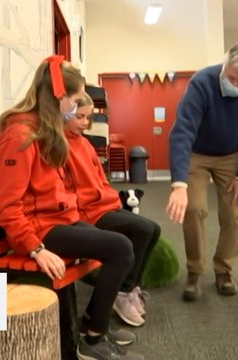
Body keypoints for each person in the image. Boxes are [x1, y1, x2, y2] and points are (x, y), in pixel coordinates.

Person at [0, 55, 143, 360]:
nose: (76, 108)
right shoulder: (19, 136)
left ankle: (92, 324)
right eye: (74, 100)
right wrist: (36, 249)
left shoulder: (45, 129)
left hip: (59, 222)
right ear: (59, 97)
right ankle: (93, 338)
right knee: (120, 248)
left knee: (121, 245)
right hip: (39, 231)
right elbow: (7, 206)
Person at [166, 42, 238, 302]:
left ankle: (224, 271)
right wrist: (179, 184)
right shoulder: (202, 82)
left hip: (232, 155)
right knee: (193, 209)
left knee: (233, 214)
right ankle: (194, 271)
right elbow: (182, 132)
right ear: (225, 65)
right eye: (231, 77)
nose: (234, 84)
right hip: (197, 153)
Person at [64, 93, 161, 327]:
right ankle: (122, 292)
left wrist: (110, 198)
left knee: (153, 228)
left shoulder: (84, 143)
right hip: (87, 213)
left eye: (88, 117)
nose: (85, 123)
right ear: (63, 113)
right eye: (79, 117)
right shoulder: (61, 144)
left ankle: (130, 288)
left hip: (103, 205)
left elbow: (100, 181)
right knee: (142, 230)